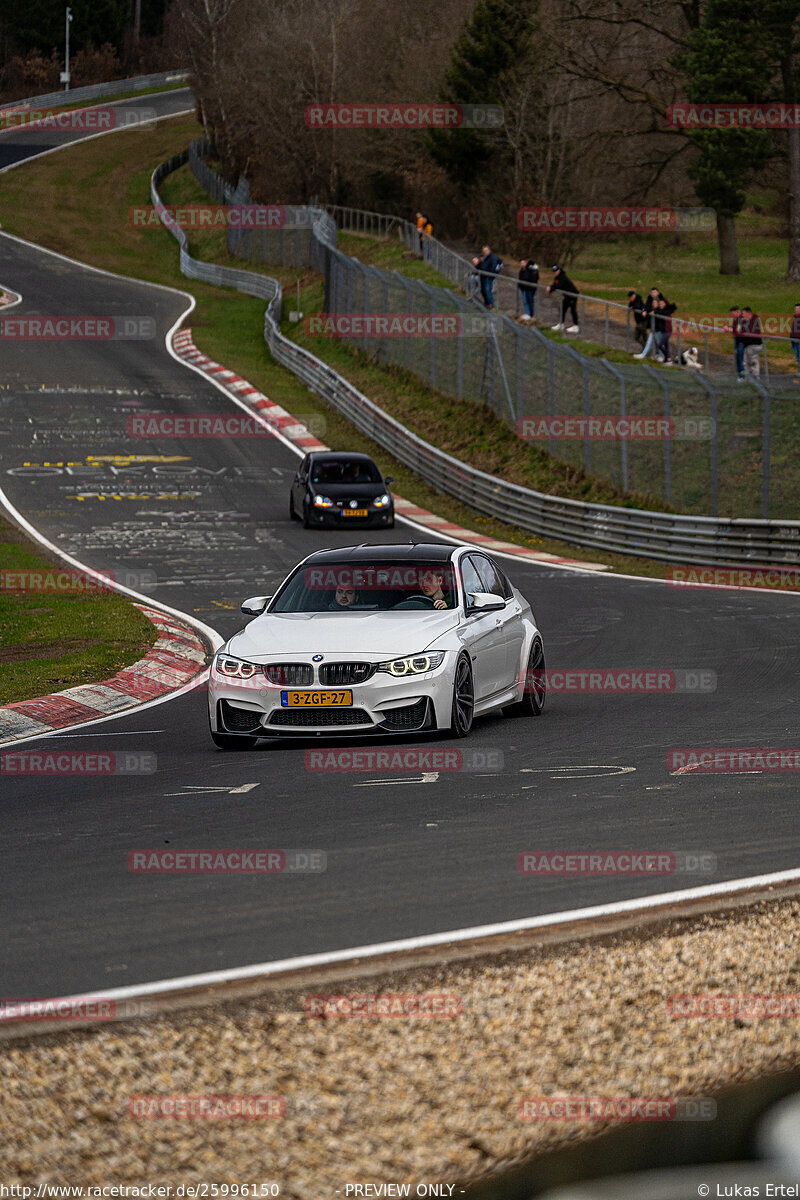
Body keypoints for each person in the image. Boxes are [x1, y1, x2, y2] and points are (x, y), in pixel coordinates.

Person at [547, 265, 579, 332]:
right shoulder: (557, 278)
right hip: (567, 296)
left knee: (573, 310)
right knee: (562, 308)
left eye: (556, 271)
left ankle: (576, 325)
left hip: (572, 295)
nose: (555, 272)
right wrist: (551, 288)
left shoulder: (563, 277)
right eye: (554, 271)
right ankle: (561, 324)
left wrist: (552, 288)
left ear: (559, 270)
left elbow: (559, 286)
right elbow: (555, 285)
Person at [634, 287, 664, 359]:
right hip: (654, 326)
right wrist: (644, 310)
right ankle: (644, 355)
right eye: (652, 293)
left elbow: (663, 311)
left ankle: (663, 357)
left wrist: (654, 312)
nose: (652, 294)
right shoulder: (650, 299)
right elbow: (646, 306)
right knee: (650, 342)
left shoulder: (662, 301)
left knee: (660, 343)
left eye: (654, 292)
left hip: (660, 327)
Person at [722, 305, 745, 380]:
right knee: (738, 358)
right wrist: (728, 327)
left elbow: (739, 329)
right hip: (738, 342)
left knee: (741, 359)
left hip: (742, 343)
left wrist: (729, 328)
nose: (731, 316)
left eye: (732, 314)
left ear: (737, 312)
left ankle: (743, 376)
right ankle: (740, 376)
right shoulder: (736, 319)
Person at [739, 306, 763, 377]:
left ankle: (755, 378)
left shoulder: (754, 320)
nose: (742, 315)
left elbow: (747, 331)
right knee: (746, 362)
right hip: (748, 345)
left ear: (748, 313)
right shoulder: (746, 319)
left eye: (743, 313)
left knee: (753, 362)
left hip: (754, 344)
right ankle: (748, 378)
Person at [655, 296, 678, 363]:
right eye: (660, 304)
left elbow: (663, 313)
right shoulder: (659, 310)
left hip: (667, 331)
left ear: (665, 304)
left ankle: (667, 357)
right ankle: (668, 359)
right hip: (663, 331)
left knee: (660, 345)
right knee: (666, 346)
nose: (660, 305)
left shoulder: (667, 311)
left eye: (662, 304)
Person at [790, 302, 800, 373]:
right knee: (798, 359)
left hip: (798, 341)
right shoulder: (795, 318)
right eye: (795, 309)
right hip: (794, 341)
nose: (796, 310)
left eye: (797, 309)